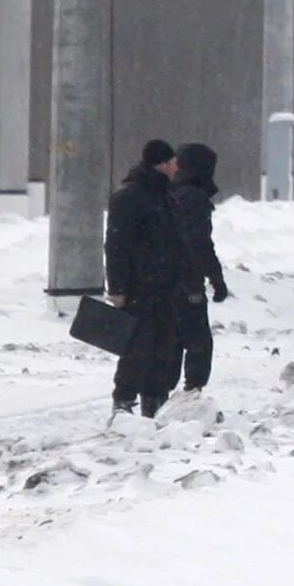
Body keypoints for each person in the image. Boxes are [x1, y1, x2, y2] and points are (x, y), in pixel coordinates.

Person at [103, 139, 187, 417]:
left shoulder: (166, 195)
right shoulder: (130, 197)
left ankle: (155, 401)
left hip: (167, 287)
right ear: (162, 164)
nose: (177, 167)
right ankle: (123, 402)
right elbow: (116, 245)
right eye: (173, 162)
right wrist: (117, 288)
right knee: (137, 348)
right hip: (139, 287)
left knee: (164, 348)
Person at [170, 143, 231, 393]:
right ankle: (192, 396)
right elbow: (200, 244)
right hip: (186, 281)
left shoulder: (167, 193)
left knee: (169, 340)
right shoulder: (194, 198)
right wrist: (216, 279)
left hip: (160, 279)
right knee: (198, 343)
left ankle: (156, 397)